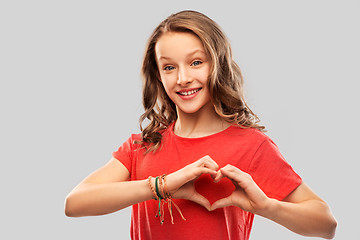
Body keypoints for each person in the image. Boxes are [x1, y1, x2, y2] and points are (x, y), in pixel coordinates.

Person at [64, 10, 337, 240]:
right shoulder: (143, 145)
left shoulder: (251, 145)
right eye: (169, 67)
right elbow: (75, 203)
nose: (183, 78)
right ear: (158, 77)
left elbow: (326, 224)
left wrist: (266, 206)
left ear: (217, 65)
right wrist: (164, 185)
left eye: (196, 62)